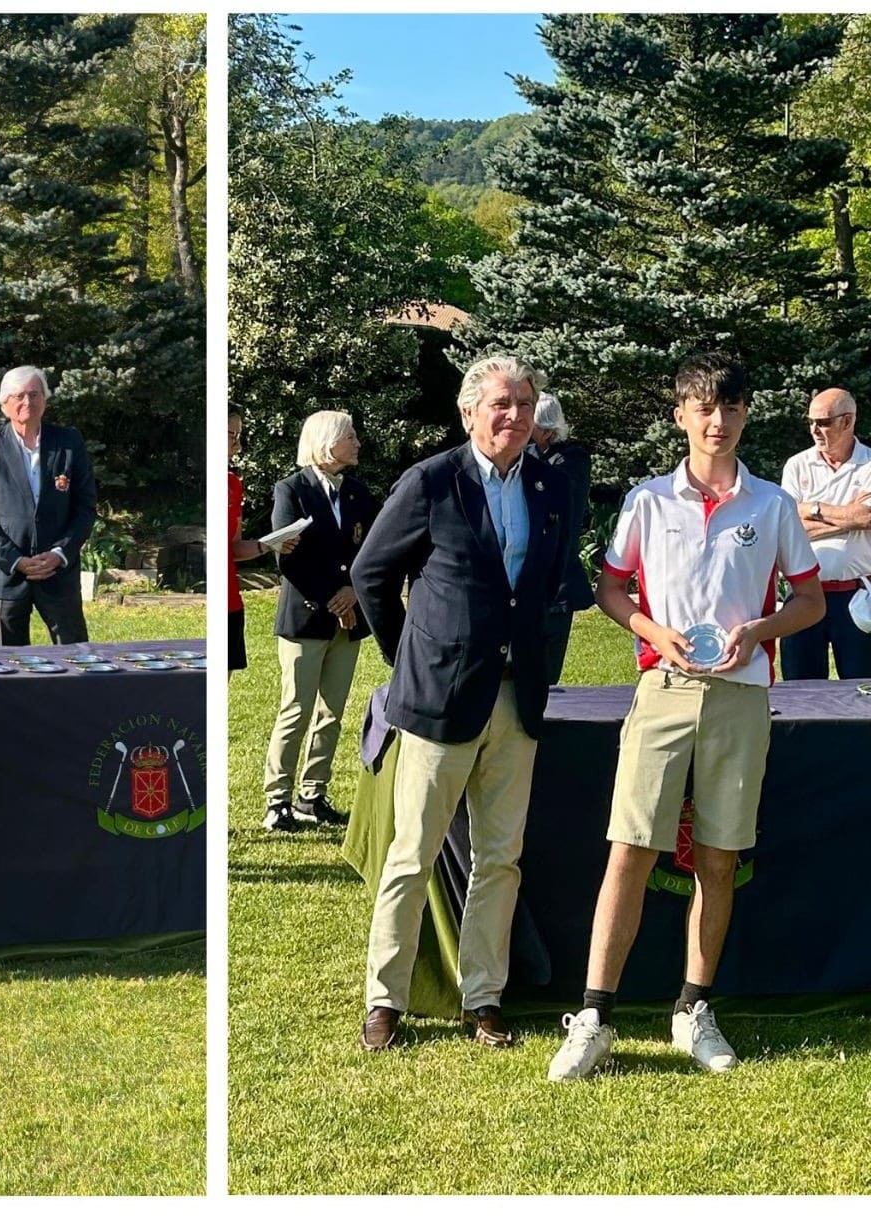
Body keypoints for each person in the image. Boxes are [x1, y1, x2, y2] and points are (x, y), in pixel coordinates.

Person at [548, 353, 823, 1081]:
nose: (717, 421)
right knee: (630, 849)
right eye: (703, 407)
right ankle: (594, 1017)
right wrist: (652, 631)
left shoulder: (772, 504)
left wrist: (757, 633)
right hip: (663, 689)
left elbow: (810, 602)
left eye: (730, 408)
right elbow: (610, 589)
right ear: (680, 415)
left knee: (719, 857)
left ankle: (693, 1009)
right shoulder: (646, 500)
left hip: (740, 697)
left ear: (744, 414)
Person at [351, 354, 570, 1052]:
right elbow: (370, 573)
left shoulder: (547, 482)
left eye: (525, 404)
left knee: (500, 858)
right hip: (440, 700)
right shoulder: (430, 481)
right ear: (469, 410)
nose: (514, 416)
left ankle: (484, 999)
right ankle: (385, 1002)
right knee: (412, 854)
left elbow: (554, 586)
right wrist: (406, 656)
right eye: (501, 403)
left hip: (516, 701)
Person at [263, 411, 374, 832]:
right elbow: (286, 555)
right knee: (297, 709)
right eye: (351, 436)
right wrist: (333, 597)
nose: (358, 443)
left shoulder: (360, 493)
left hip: (347, 621)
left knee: (332, 712)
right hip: (306, 619)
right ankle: (278, 800)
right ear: (328, 443)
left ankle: (313, 795)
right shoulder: (291, 490)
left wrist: (353, 593)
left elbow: (372, 550)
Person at [0, 366, 97, 646]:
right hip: (7, 577)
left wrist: (60, 553)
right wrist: (16, 560)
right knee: (9, 669)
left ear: (45, 400)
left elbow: (85, 508)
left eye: (34, 394)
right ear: (4, 405)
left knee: (76, 657)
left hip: (58, 573)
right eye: (19, 396)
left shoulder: (69, 443)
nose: (28, 402)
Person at [778, 387, 871, 680]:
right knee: (800, 689)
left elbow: (867, 516)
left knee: (863, 689)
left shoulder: (869, 464)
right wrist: (849, 517)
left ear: (848, 421)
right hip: (804, 593)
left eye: (824, 422)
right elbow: (787, 528)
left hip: (857, 595)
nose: (815, 430)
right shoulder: (797, 465)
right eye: (811, 422)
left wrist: (810, 508)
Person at [226, 408, 298, 675]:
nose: (238, 443)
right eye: (231, 434)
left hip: (231, 603)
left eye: (239, 434)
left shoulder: (234, 484)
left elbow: (233, 548)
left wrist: (270, 544)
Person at [531, 393, 595, 684]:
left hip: (558, 586)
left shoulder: (572, 461)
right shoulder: (530, 456)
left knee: (545, 675)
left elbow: (550, 492)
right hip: (526, 583)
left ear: (545, 429)